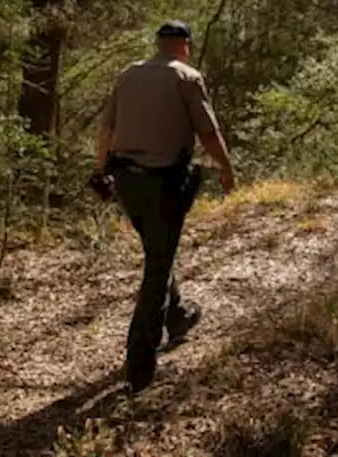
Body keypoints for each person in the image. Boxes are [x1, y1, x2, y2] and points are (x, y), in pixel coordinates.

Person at [93, 20, 236, 392]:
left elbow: (106, 131)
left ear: (157, 44)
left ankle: (178, 316)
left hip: (125, 181)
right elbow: (207, 131)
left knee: (158, 251)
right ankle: (140, 366)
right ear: (185, 45)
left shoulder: (129, 75)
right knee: (157, 267)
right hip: (164, 183)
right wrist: (226, 168)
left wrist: (100, 172)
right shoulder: (187, 77)